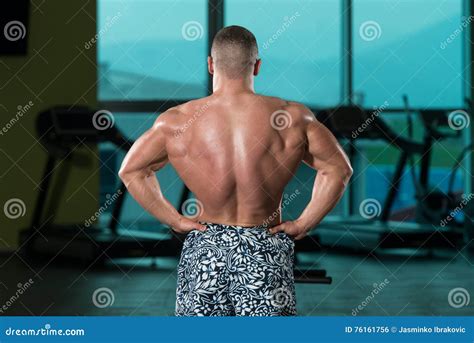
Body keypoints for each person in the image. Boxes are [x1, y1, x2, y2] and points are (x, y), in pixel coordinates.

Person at [118, 25, 352, 316]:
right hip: (264, 245)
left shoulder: (176, 121)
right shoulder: (292, 117)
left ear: (210, 65)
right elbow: (338, 169)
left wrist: (175, 220)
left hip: (206, 247)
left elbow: (131, 170)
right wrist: (304, 223)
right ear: (257, 66)